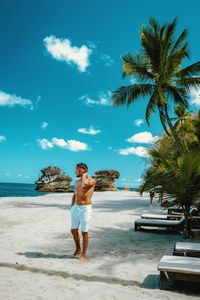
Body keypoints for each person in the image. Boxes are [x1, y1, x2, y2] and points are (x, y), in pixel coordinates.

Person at [70, 163, 96, 261]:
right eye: (76, 169)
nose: (76, 171)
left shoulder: (92, 181)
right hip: (76, 207)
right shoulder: (76, 182)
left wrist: (85, 175)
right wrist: (72, 206)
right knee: (73, 230)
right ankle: (78, 249)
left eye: (78, 170)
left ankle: (83, 254)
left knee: (84, 231)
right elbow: (75, 194)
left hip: (85, 208)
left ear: (83, 170)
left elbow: (84, 185)